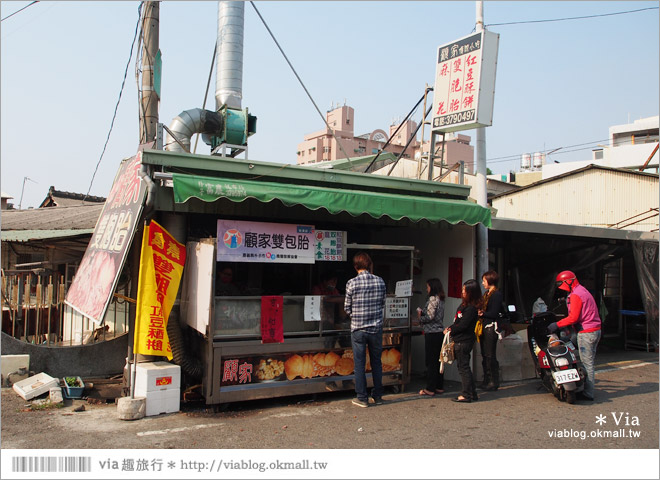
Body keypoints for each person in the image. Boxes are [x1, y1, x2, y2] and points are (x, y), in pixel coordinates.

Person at [548, 270, 602, 401]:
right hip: (594, 330)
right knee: (582, 357)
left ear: (569, 281)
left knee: (586, 363)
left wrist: (557, 324)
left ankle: (588, 393)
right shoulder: (582, 291)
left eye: (561, 284)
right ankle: (580, 386)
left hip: (587, 333)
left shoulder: (576, 295)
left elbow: (573, 317)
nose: (561, 287)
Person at [344, 252, 387, 408]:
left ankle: (362, 398)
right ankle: (378, 395)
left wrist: (355, 317)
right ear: (369, 264)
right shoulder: (380, 281)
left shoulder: (351, 283)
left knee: (359, 364)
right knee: (377, 362)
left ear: (356, 267)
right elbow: (383, 304)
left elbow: (346, 308)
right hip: (375, 328)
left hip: (358, 329)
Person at [445, 279, 481, 403]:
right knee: (464, 367)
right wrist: (451, 328)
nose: (462, 292)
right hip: (460, 340)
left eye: (464, 290)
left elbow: (463, 325)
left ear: (470, 292)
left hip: (464, 341)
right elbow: (458, 323)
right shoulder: (464, 306)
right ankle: (472, 393)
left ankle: (466, 394)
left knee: (463, 368)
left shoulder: (471, 309)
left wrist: (451, 330)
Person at [417, 278, 446, 396]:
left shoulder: (433, 299)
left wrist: (420, 316)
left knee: (431, 361)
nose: (426, 289)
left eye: (428, 287)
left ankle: (430, 388)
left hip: (432, 333)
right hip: (439, 332)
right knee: (439, 361)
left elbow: (429, 316)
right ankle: (439, 386)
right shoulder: (441, 299)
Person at [478, 270, 503, 391]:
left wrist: (483, 314)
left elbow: (494, 312)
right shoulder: (486, 294)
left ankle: (493, 380)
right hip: (484, 326)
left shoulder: (496, 294)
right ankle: (486, 379)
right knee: (485, 354)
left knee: (490, 355)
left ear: (490, 281)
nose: (483, 283)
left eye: (484, 281)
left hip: (491, 327)